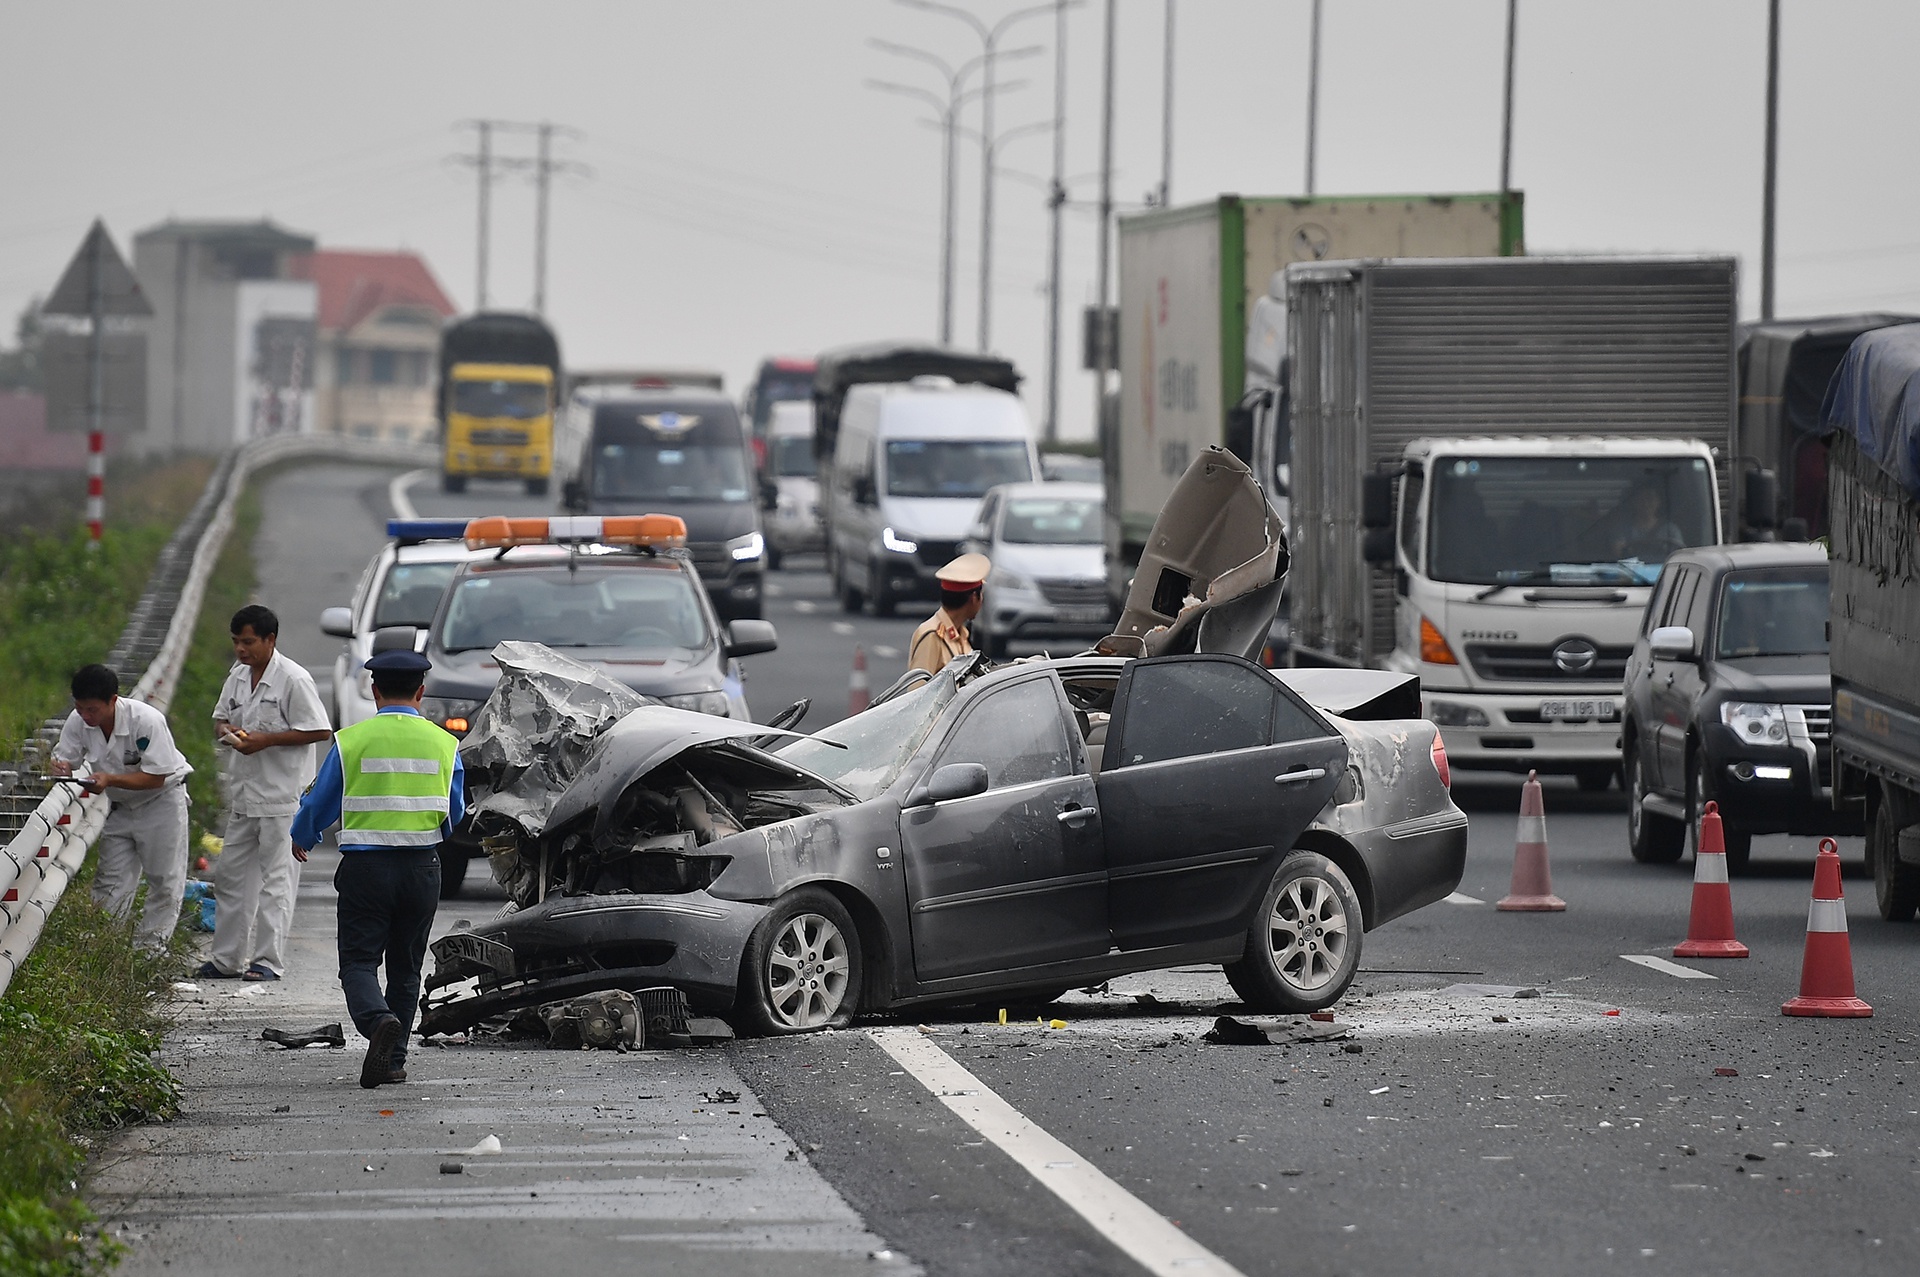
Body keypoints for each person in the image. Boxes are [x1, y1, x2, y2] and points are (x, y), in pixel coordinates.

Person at [291, 649, 464, 1089]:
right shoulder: (446, 744)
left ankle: (377, 1020)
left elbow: (321, 801)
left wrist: (304, 835)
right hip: (422, 868)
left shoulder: (352, 740)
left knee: (359, 963)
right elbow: (455, 812)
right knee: (405, 970)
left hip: (367, 869)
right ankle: (392, 1060)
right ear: (421, 693)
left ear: (374, 691)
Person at [200, 605, 330, 982]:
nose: (241, 649)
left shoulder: (294, 679)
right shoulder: (238, 677)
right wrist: (228, 731)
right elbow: (220, 718)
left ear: (270, 640)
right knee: (230, 878)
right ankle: (225, 959)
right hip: (243, 795)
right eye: (237, 642)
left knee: (276, 883)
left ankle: (266, 962)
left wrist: (265, 740)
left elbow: (318, 731)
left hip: (282, 798)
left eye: (249, 642)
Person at [49, 664, 194, 950]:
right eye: (80, 708)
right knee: (110, 880)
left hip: (161, 802)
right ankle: (104, 948)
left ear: (113, 700)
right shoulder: (78, 721)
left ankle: (149, 950)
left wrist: (110, 778)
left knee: (164, 880)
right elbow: (65, 758)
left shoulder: (146, 721)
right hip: (120, 805)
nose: (86, 716)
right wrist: (62, 767)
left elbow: (157, 777)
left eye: (92, 710)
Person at [908, 552, 990, 674]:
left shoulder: (962, 635)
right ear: (974, 597)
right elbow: (918, 689)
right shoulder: (931, 636)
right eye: (981, 594)